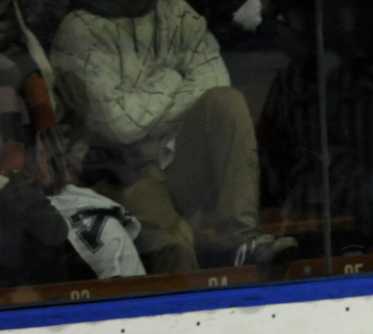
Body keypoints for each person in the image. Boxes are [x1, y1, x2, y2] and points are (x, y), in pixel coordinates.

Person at [51, 0, 295, 272]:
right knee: (176, 247)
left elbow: (215, 79)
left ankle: (238, 239)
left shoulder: (176, 12)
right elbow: (120, 125)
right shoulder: (78, 30)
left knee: (227, 102)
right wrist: (172, 77)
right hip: (120, 173)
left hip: (175, 156)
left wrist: (145, 109)